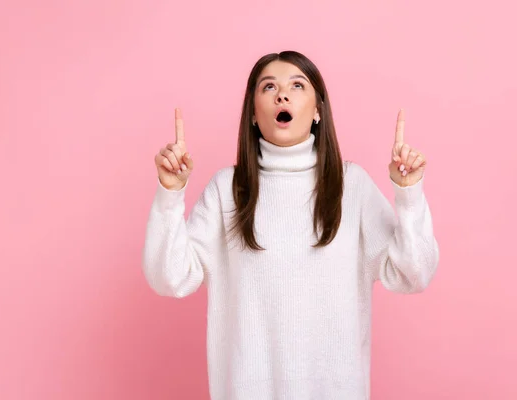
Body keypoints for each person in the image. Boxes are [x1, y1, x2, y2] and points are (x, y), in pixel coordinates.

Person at [142, 50, 439, 400]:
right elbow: (169, 278)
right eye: (269, 87)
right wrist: (170, 195)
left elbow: (414, 274)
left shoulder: (350, 185)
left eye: (297, 85)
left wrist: (408, 194)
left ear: (317, 111)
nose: (282, 94)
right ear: (253, 114)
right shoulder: (228, 189)